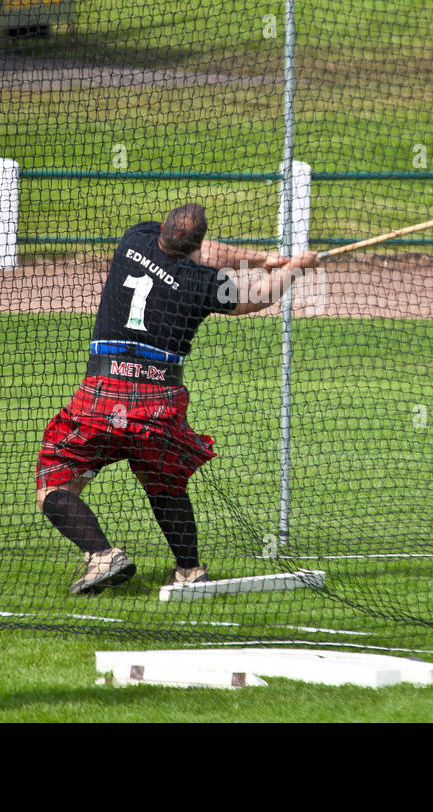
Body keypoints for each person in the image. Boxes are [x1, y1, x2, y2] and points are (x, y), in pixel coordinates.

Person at [37, 203, 319, 595]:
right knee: (165, 483)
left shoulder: (134, 239)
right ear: (196, 244)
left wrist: (261, 258)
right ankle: (189, 570)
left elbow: (207, 252)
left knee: (57, 482)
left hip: (102, 396)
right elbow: (259, 295)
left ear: (163, 228)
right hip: (159, 405)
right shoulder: (202, 282)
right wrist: (295, 267)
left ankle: (101, 555)